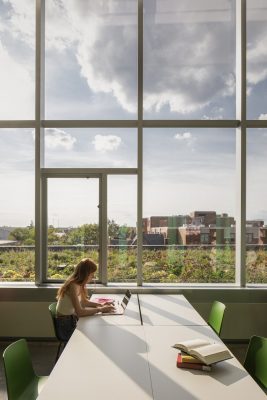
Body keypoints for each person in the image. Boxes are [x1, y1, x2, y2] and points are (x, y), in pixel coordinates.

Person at [55, 258, 115, 341]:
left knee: (94, 331)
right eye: (92, 274)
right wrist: (100, 309)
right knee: (94, 335)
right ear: (86, 274)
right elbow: (80, 312)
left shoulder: (79, 284)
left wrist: (101, 305)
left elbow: (84, 302)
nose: (93, 276)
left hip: (71, 319)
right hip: (65, 324)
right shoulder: (73, 285)